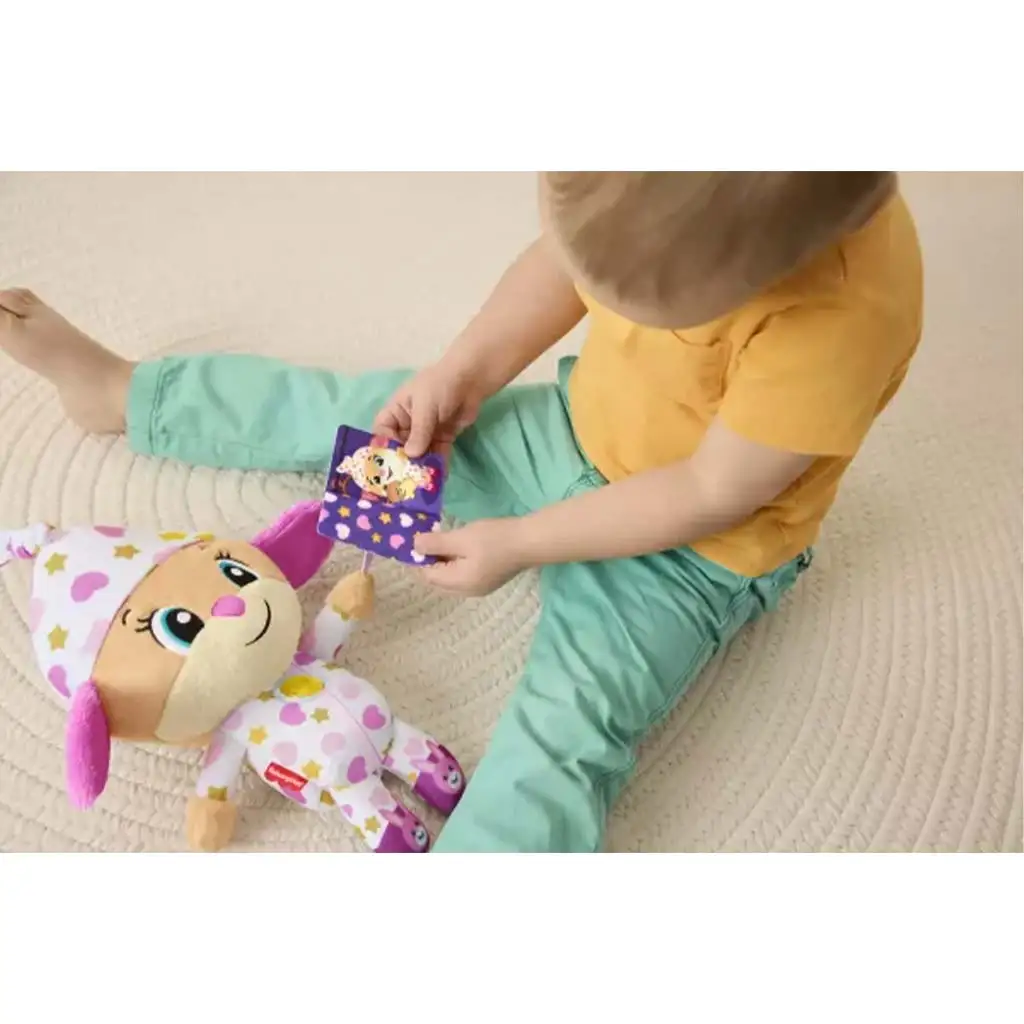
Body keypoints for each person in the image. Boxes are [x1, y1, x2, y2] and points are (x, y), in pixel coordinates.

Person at [0, 171, 923, 852]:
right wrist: (461, 373)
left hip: (694, 554)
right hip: (566, 434)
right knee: (360, 414)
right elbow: (561, 266)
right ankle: (127, 394)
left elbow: (713, 490)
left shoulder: (845, 313)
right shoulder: (638, 186)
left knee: (564, 739)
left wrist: (522, 543)